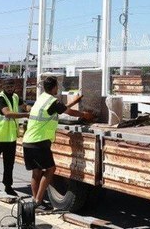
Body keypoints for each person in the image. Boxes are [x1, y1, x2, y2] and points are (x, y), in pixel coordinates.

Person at [22, 76, 94, 210]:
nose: (58, 88)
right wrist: (85, 115)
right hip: (39, 141)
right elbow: (69, 112)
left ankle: (34, 200)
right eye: (57, 86)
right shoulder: (52, 101)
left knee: (36, 173)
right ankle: (38, 201)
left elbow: (60, 109)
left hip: (28, 141)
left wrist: (73, 101)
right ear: (54, 87)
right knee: (51, 169)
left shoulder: (42, 99)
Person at [0, 78, 29, 200]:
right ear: (3, 87)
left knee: (9, 165)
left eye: (11, 87)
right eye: (7, 87)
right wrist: (26, 115)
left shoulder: (15, 97)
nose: (9, 89)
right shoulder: (0, 98)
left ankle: (8, 186)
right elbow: (7, 113)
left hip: (10, 138)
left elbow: (24, 106)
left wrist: (32, 110)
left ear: (14, 87)